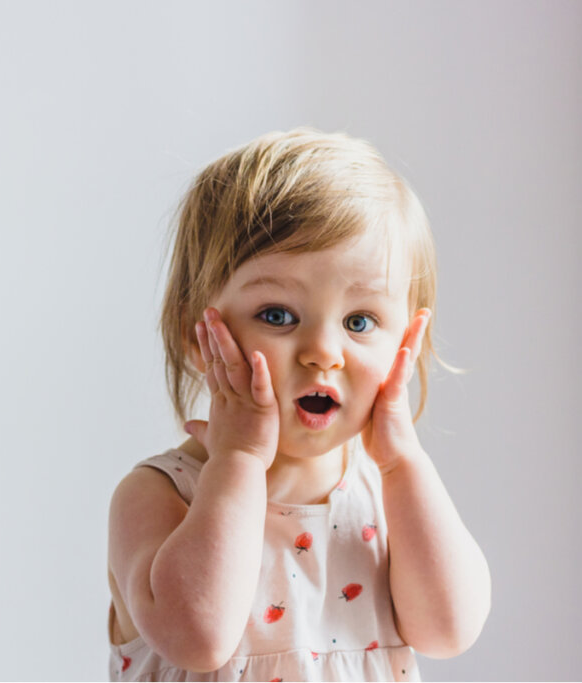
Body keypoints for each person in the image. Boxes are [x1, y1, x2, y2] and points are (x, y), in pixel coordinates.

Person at [107, 128, 491, 681]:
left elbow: (449, 631)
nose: (323, 353)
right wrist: (239, 461)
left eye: (360, 321)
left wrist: (404, 464)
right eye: (278, 316)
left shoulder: (389, 497)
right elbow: (198, 638)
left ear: (407, 342)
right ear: (197, 334)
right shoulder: (161, 495)